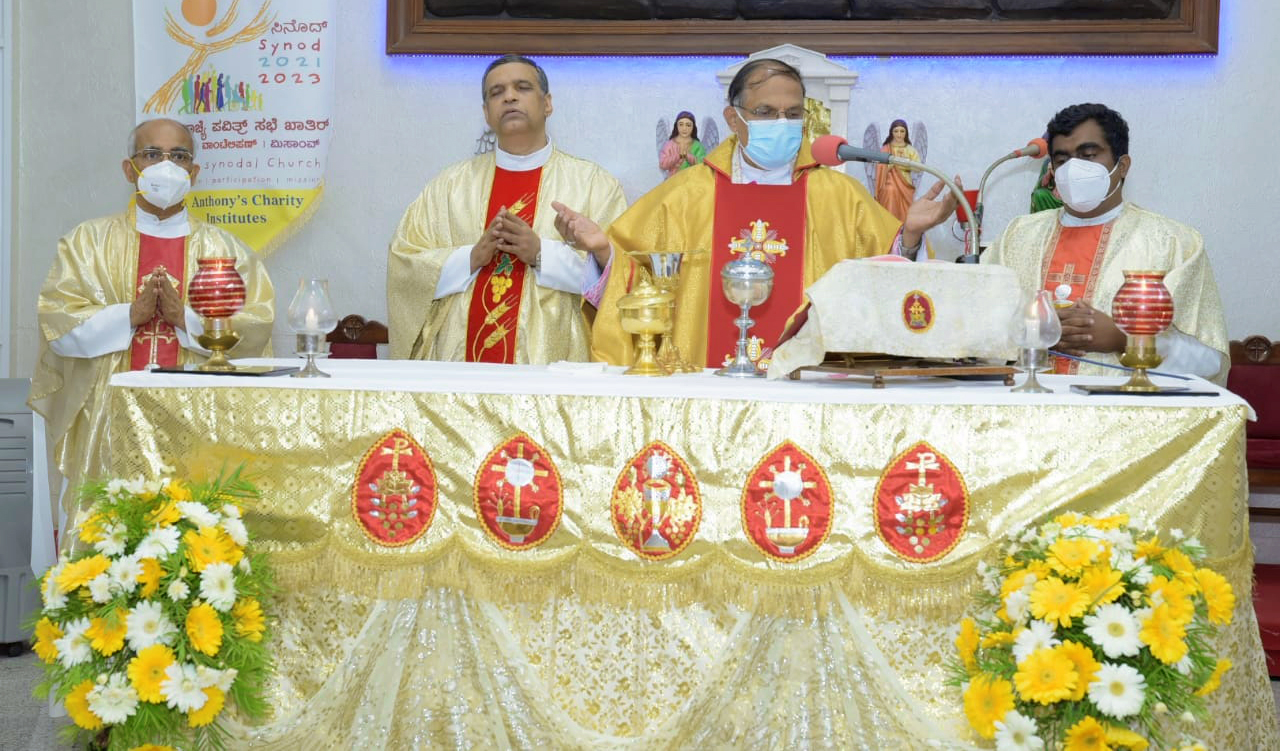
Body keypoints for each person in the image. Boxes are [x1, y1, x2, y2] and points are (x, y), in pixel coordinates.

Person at [557, 58, 958, 371]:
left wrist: (909, 237)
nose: (781, 123)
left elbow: (882, 280)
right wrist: (604, 252)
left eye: (793, 113)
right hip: (705, 381)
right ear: (734, 118)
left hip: (809, 385)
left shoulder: (839, 195)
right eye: (766, 111)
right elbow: (639, 278)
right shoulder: (686, 194)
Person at [28, 118, 275, 507]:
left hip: (197, 417)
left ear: (193, 172)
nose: (166, 166)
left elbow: (255, 328)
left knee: (194, 523)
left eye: (179, 156)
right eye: (152, 154)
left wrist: (185, 319)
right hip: (109, 414)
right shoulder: (87, 243)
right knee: (109, 525)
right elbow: (58, 322)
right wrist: (129, 315)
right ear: (130, 170)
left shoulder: (227, 251)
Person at [387, 54, 628, 364]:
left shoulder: (594, 184)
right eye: (496, 92)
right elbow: (404, 266)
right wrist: (471, 258)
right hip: (457, 367)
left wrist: (542, 254)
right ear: (487, 114)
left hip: (554, 368)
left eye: (522, 87)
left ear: (547, 104)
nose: (509, 97)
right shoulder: (449, 186)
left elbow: (624, 281)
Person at [984, 103, 1228, 383]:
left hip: (1124, 409)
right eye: (1062, 160)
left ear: (1122, 166)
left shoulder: (1171, 243)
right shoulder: (1018, 237)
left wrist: (1124, 339)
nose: (1073, 168)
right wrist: (1031, 333)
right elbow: (974, 330)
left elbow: (1209, 360)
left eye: (1088, 156)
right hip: (1026, 403)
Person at [874, 119, 921, 222]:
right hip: (888, 181)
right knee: (890, 190)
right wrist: (891, 164)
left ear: (906, 133)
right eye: (896, 131)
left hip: (905, 183)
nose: (899, 134)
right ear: (891, 132)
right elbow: (880, 167)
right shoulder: (886, 149)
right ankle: (890, 223)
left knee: (906, 210)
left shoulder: (910, 150)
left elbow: (918, 167)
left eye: (902, 131)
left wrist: (905, 164)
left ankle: (903, 227)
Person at [658, 111, 707, 178]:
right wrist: (678, 156)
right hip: (673, 181)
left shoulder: (698, 146)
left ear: (693, 127)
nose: (684, 128)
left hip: (692, 181)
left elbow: (703, 164)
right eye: (681, 124)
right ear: (676, 126)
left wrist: (688, 156)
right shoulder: (669, 144)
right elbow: (662, 164)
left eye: (688, 125)